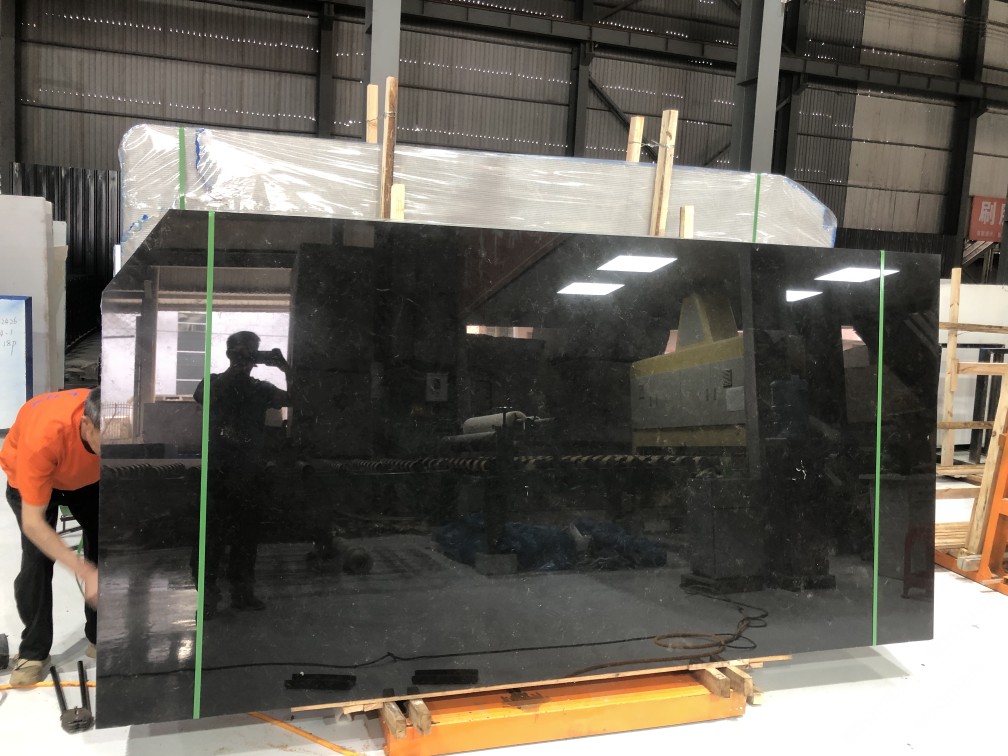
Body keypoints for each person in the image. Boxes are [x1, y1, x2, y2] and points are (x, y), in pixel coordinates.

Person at [1, 388, 101, 687]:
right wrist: (85, 571)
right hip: (30, 476)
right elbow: (34, 524)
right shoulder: (42, 438)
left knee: (105, 547)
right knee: (37, 561)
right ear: (86, 424)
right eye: (107, 442)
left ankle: (100, 636)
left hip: (85, 479)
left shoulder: (115, 420)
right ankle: (33, 653)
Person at [193, 331, 288, 616]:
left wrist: (286, 369)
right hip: (218, 472)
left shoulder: (260, 388)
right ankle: (207, 596)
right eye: (240, 352)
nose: (245, 358)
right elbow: (205, 397)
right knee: (210, 537)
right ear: (229, 354)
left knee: (246, 537)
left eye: (251, 353)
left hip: (248, 473)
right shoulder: (212, 382)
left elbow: (298, 398)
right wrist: (235, 370)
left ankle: (242, 592)